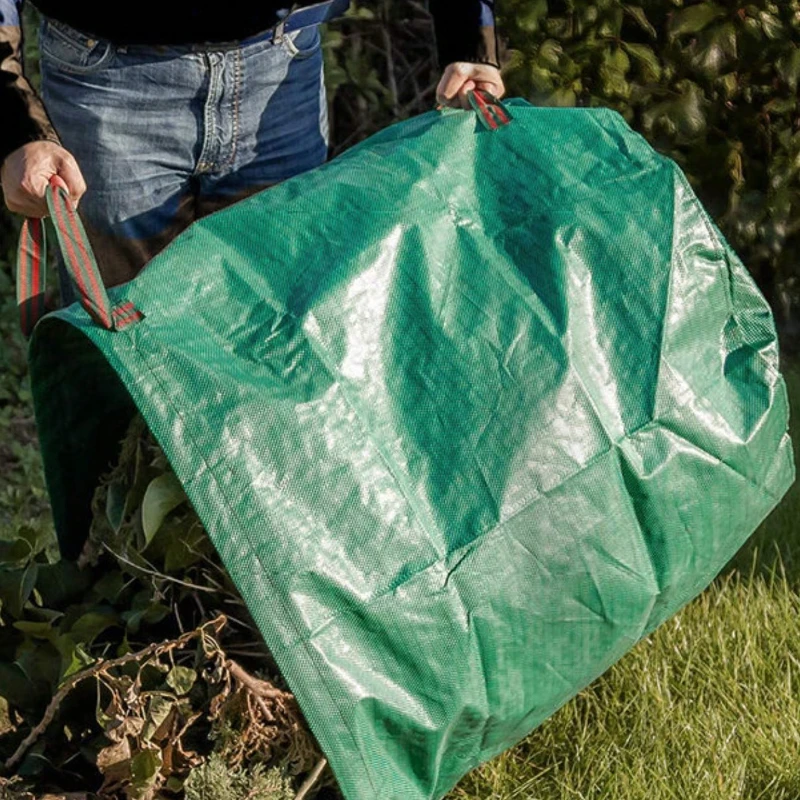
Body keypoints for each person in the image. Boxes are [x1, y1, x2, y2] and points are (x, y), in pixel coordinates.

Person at [0, 0, 506, 297]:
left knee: (280, 338)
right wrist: (14, 128)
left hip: (282, 72)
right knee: (125, 352)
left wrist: (470, 40)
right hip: (108, 82)